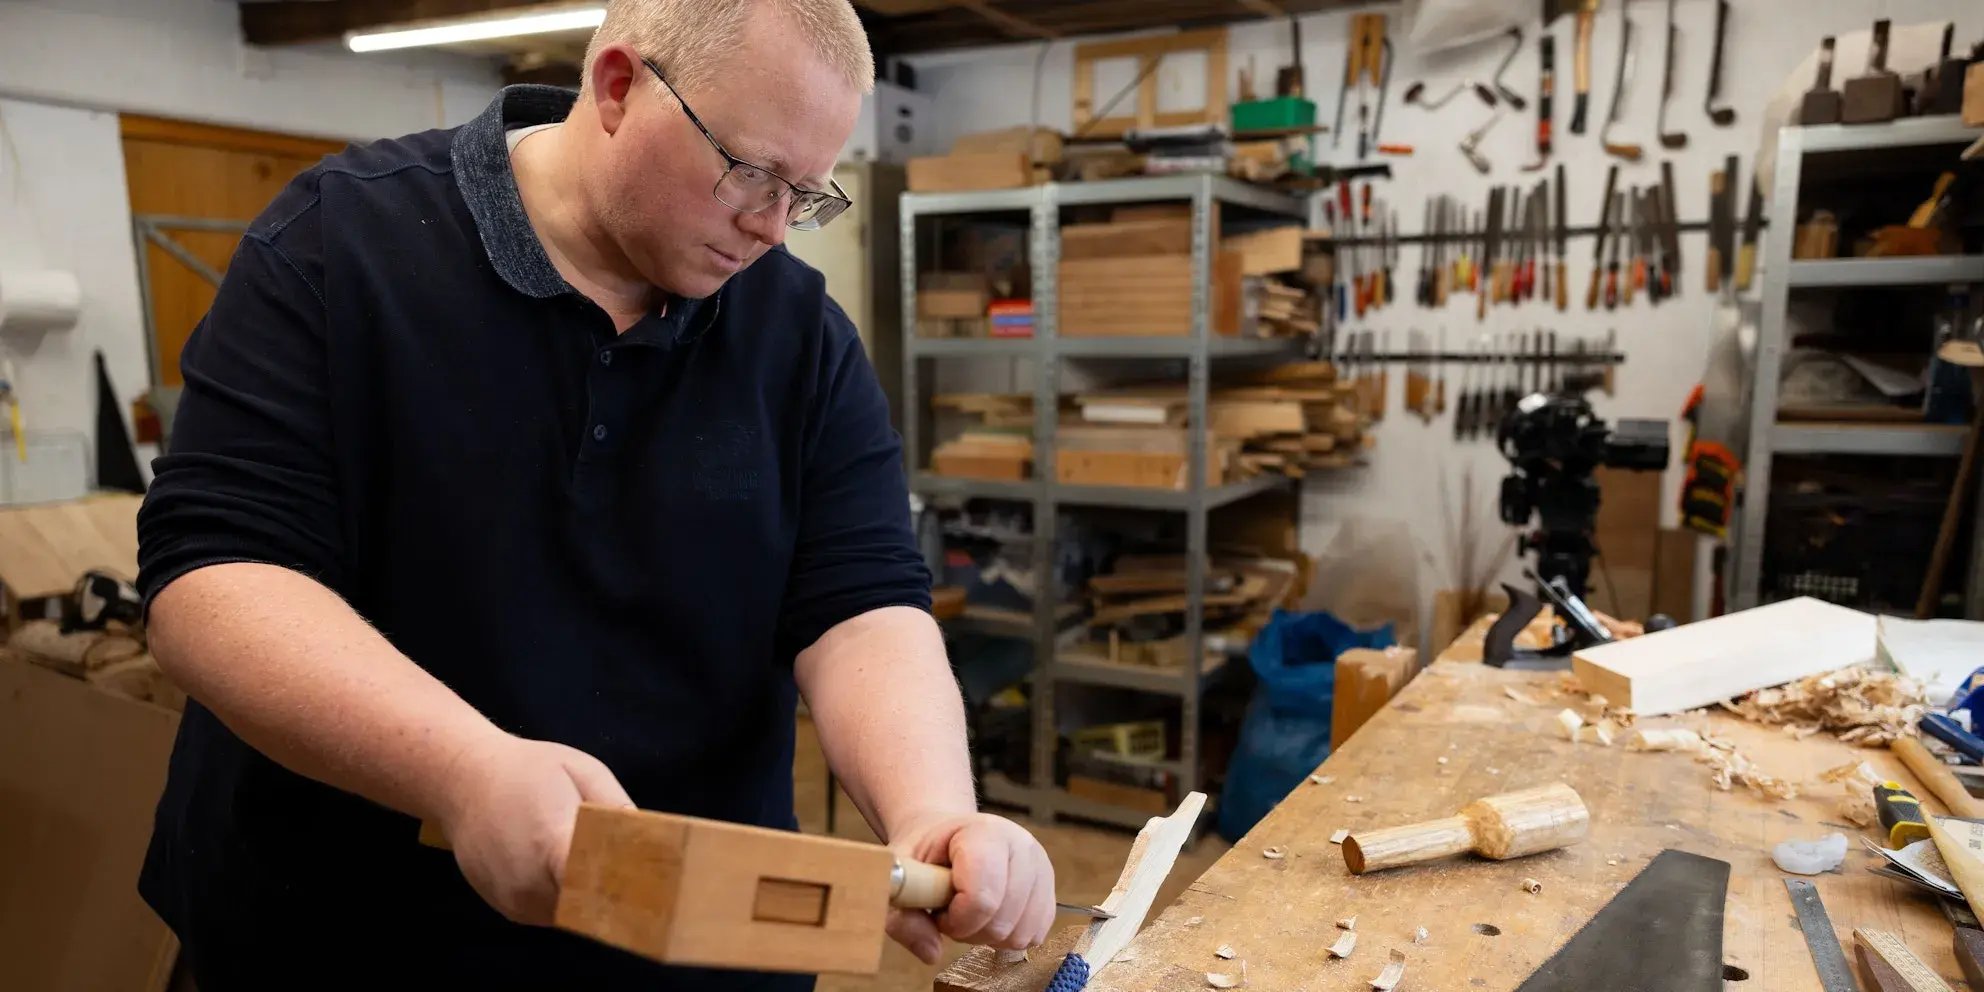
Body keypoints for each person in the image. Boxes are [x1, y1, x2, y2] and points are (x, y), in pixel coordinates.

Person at [133, 0, 1055, 987]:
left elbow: (863, 601)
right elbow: (213, 576)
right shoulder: (338, 245)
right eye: (748, 170)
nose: (770, 227)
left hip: (694, 946)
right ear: (617, 86)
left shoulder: (798, 332)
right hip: (335, 938)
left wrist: (930, 809)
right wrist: (463, 768)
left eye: (806, 194)